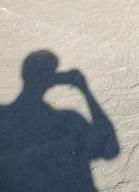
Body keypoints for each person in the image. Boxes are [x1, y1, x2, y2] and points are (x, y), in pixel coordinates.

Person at [0, 50, 119, 192]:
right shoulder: (70, 118)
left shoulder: (4, 114)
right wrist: (85, 91)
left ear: (24, 75)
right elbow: (110, 151)